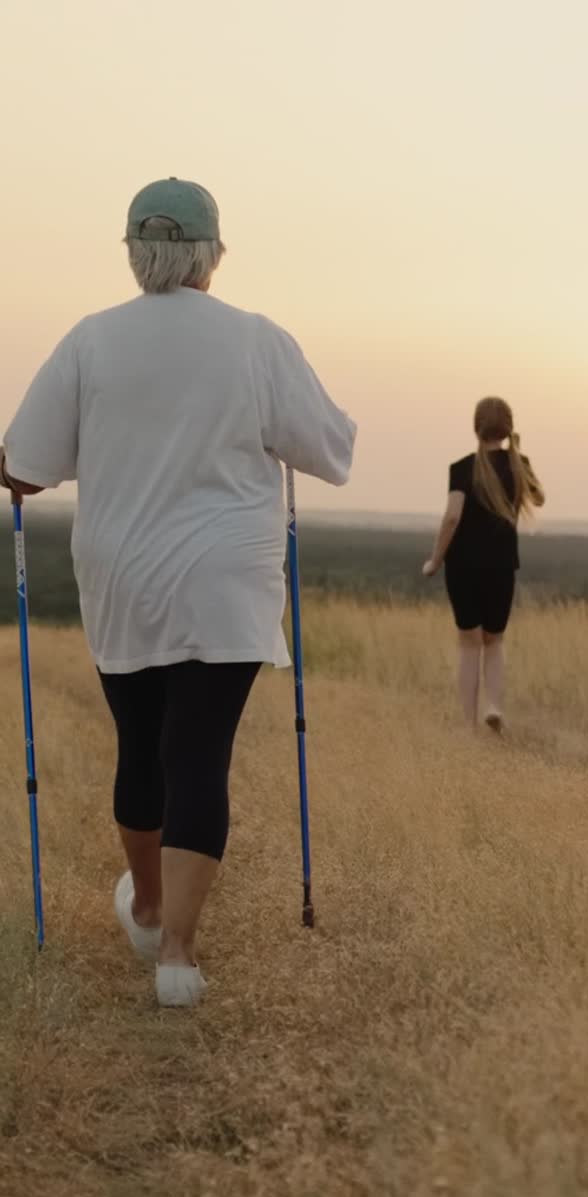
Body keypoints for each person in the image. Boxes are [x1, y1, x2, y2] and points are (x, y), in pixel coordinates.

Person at [0, 178, 356, 1008]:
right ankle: (179, 962)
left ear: (135, 255)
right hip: (227, 583)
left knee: (141, 749)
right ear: (212, 256)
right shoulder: (257, 340)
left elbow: (22, 470)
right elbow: (331, 451)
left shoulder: (89, 341)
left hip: (124, 578)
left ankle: (152, 907)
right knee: (199, 757)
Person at [422, 397, 545, 731]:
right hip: (502, 566)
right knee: (495, 641)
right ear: (508, 427)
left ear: (476, 427)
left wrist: (435, 560)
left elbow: (451, 518)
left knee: (468, 642)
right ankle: (493, 706)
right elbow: (539, 499)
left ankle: (468, 723)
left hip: (463, 568)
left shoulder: (462, 468)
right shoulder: (520, 464)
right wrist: (519, 458)